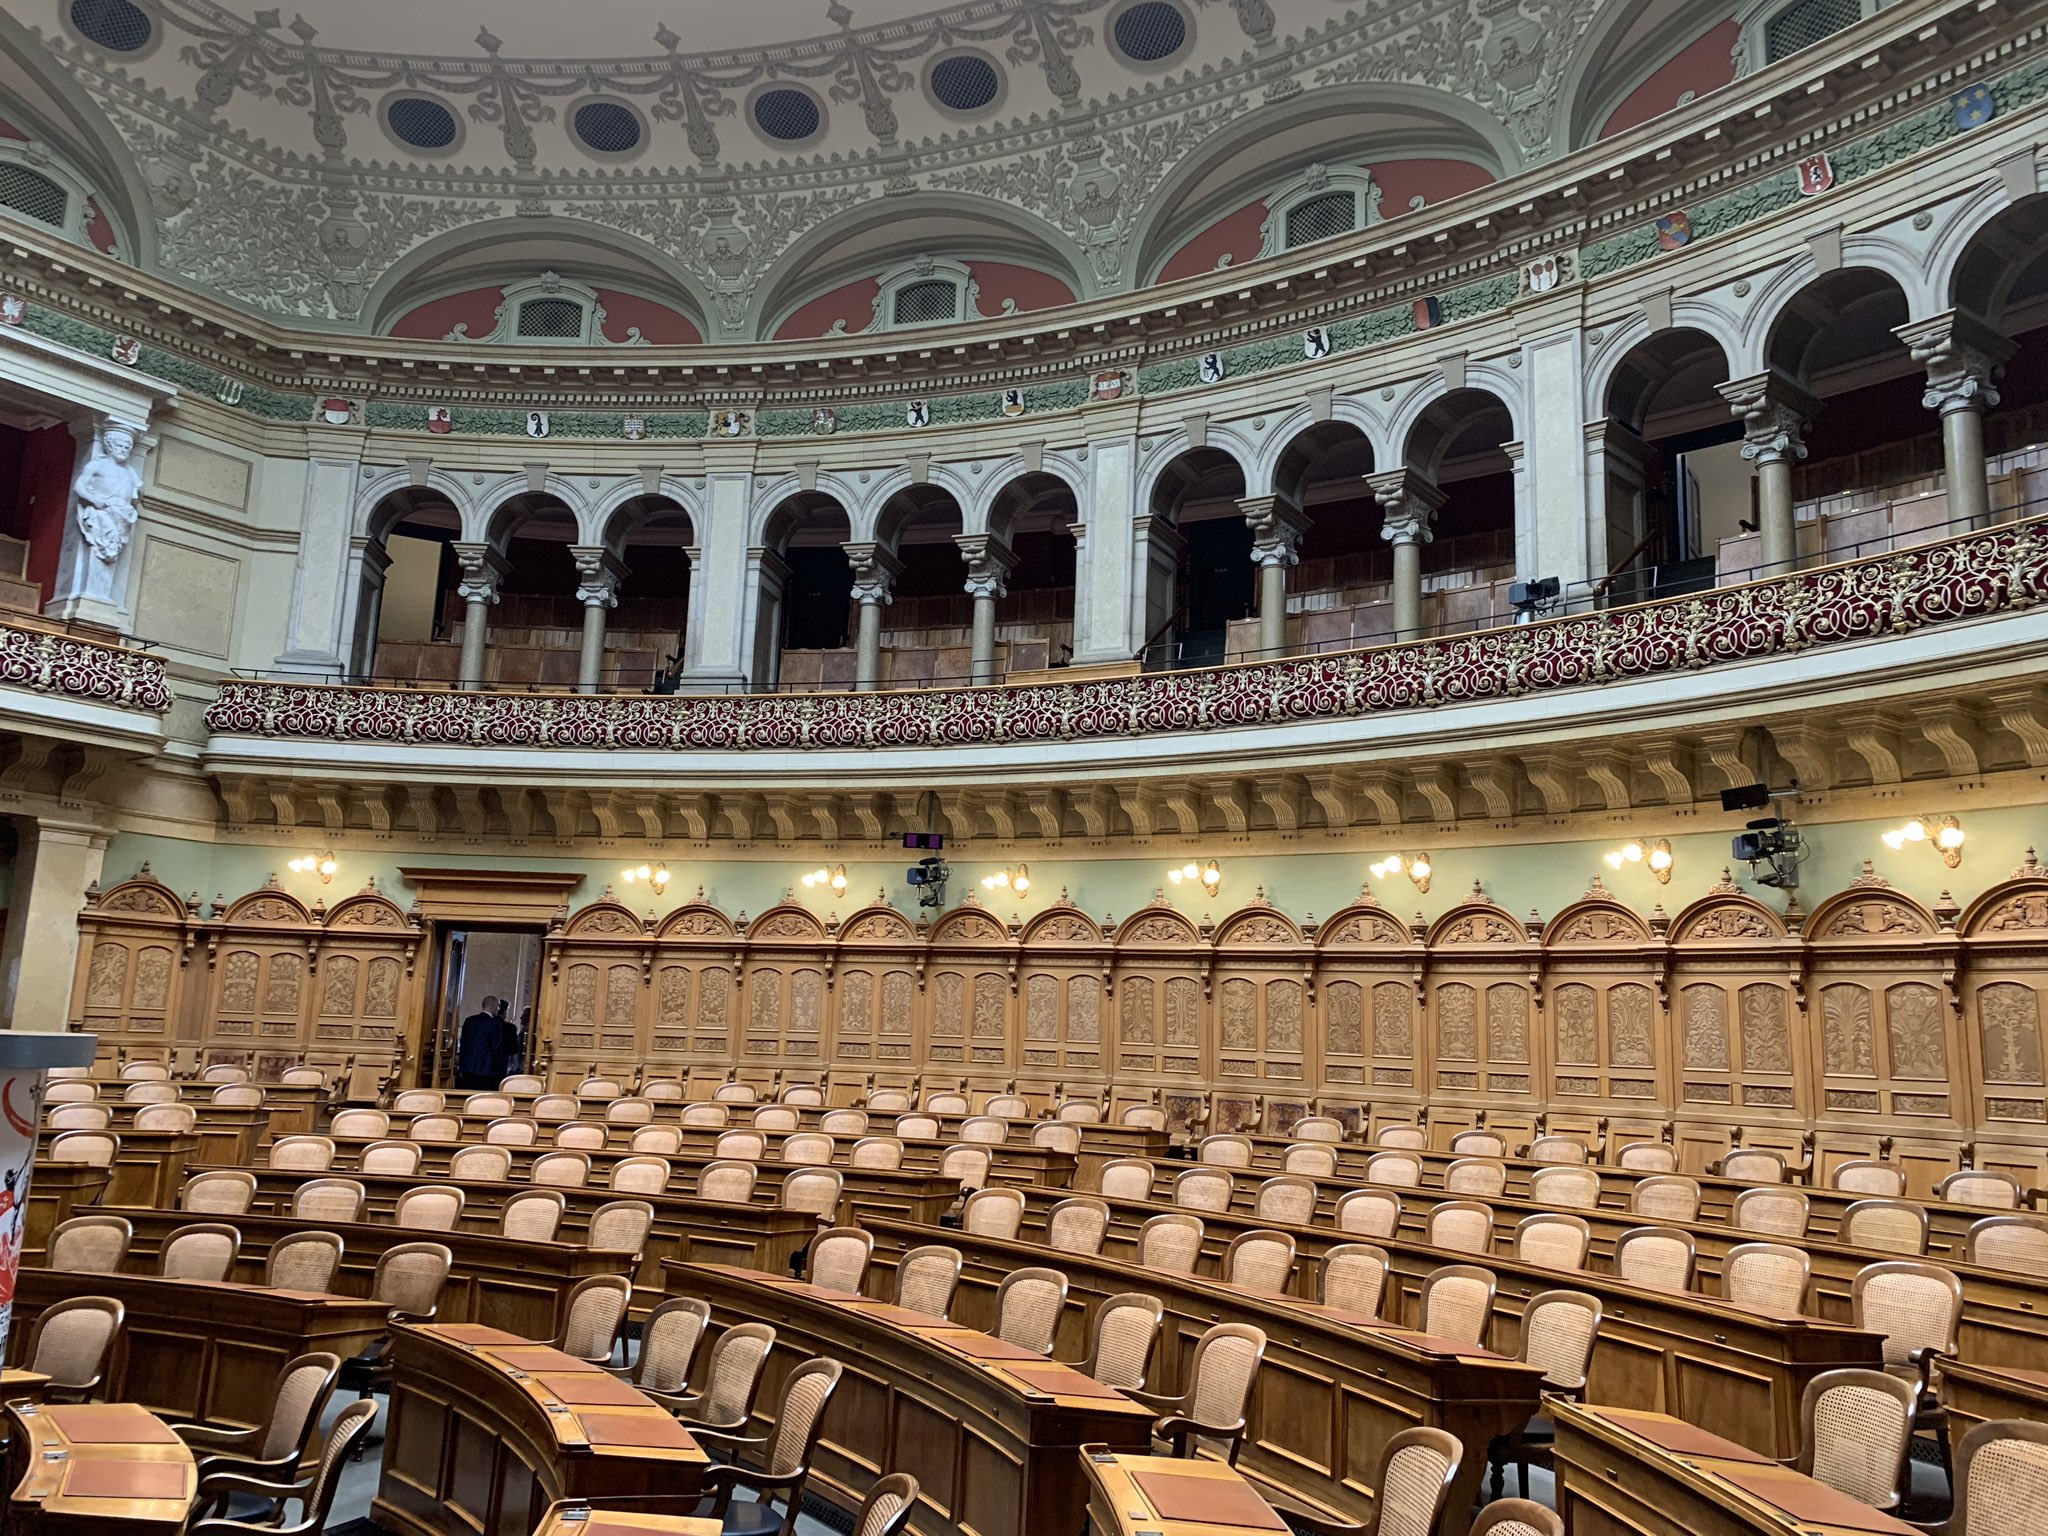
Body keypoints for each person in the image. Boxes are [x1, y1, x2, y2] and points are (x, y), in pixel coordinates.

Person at [456, 994, 504, 1090]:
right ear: (493, 1007)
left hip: (467, 1067)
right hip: (486, 1068)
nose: (498, 1009)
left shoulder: (469, 1020)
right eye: (498, 1006)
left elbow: (463, 1043)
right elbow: (496, 1047)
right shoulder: (495, 1023)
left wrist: (462, 1064)